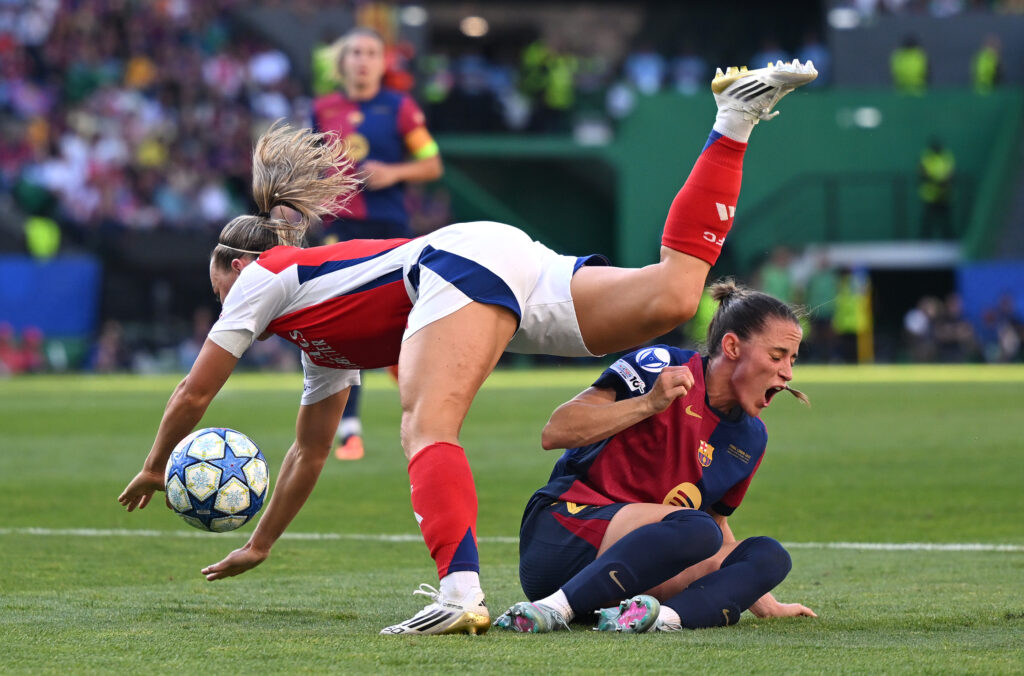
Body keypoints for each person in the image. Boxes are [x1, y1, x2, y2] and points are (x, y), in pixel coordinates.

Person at [117, 59, 818, 636]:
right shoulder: (318, 337)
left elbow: (195, 392)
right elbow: (310, 451)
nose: (221, 306)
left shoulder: (260, 275)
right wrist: (262, 543)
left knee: (427, 425)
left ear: (233, 266)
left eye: (217, 292)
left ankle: (458, 592)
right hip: (502, 263)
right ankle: (735, 119)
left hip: (456, 265)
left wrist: (154, 466)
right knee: (672, 296)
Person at [493, 281, 816, 634]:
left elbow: (718, 527)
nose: (788, 372)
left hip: (632, 573)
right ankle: (551, 609)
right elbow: (555, 431)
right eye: (776, 356)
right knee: (695, 528)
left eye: (792, 359)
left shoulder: (752, 437)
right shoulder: (661, 367)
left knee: (768, 556)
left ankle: (657, 618)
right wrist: (647, 404)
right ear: (732, 346)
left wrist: (758, 596)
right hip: (564, 535)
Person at [312, 27, 444, 460]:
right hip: (339, 228)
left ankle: (407, 378)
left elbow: (432, 164)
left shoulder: (400, 107)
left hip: (389, 228)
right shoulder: (323, 108)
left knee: (399, 320)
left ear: (382, 62)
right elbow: (313, 166)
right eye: (355, 52)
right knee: (340, 323)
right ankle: (349, 427)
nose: (363, 60)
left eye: (371, 52)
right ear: (342, 61)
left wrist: (394, 173)